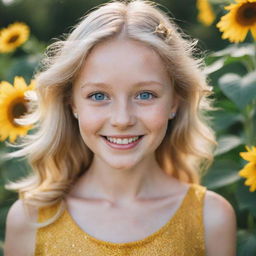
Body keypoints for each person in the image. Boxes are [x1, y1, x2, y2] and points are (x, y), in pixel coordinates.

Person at [4, 0, 236, 255]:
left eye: (145, 95)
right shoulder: (31, 220)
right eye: (99, 96)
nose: (122, 119)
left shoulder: (211, 218)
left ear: (175, 102)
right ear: (72, 104)